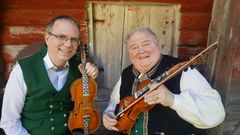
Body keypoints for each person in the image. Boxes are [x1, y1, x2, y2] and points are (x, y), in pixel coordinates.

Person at [102, 27, 225, 135]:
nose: (141, 51)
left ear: (158, 45)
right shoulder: (126, 73)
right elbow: (115, 101)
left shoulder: (183, 69)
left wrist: (173, 100)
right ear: (129, 53)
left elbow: (216, 112)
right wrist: (109, 113)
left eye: (146, 44)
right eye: (134, 47)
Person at [0, 15, 99, 135]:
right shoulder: (23, 70)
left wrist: (90, 77)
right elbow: (9, 121)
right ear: (47, 38)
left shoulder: (79, 68)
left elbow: (83, 108)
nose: (68, 44)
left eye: (73, 39)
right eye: (61, 37)